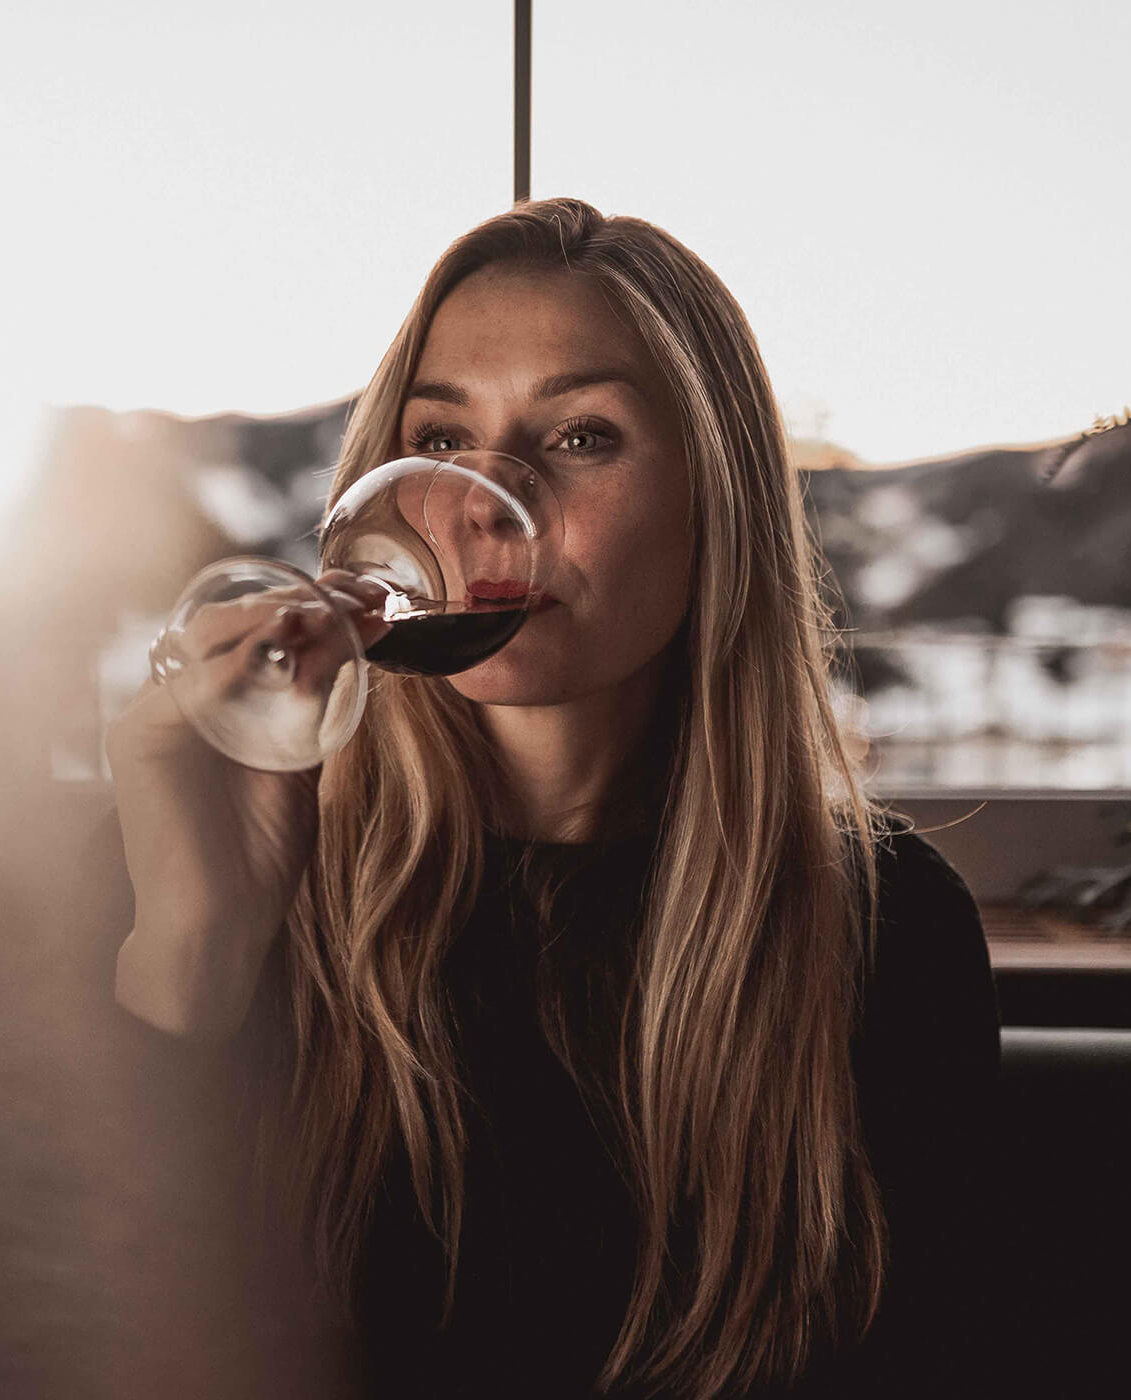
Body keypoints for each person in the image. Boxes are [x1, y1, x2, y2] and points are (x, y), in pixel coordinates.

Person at [92, 197, 999, 1399]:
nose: (481, 500)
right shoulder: (214, 856)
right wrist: (193, 962)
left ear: (711, 495)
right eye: (442, 436)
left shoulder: (886, 927)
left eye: (580, 437)